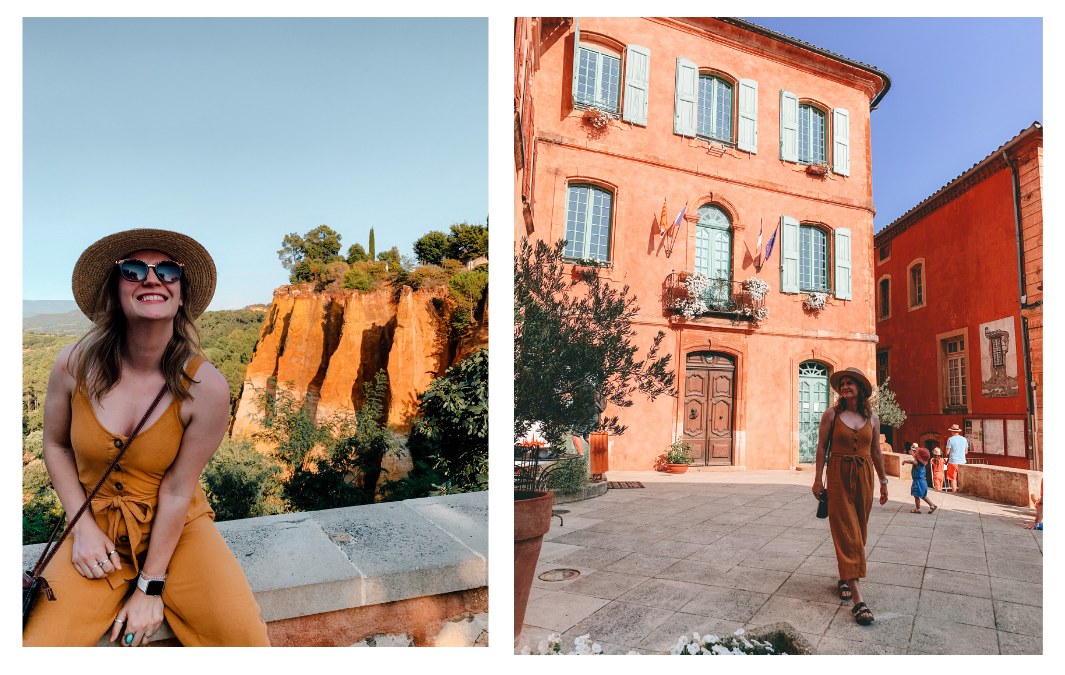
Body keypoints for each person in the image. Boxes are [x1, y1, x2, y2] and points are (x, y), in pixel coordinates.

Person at [24, 229, 271, 647]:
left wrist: (149, 587)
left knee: (244, 641)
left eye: (168, 271)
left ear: (180, 292)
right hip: (95, 528)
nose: (152, 279)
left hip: (181, 531)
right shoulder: (73, 364)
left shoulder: (206, 387)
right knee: (39, 648)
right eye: (134, 270)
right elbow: (56, 445)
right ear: (116, 289)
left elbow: (177, 489)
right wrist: (80, 525)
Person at [812, 367, 889, 626]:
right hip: (837, 475)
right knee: (847, 532)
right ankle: (858, 600)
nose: (844, 387)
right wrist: (816, 480)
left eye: (849, 383)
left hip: (865, 475)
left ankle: (845, 577)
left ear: (861, 389)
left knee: (860, 532)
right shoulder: (831, 415)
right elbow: (822, 446)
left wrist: (884, 481)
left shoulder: (874, 419)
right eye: (842, 383)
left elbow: (876, 451)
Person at [903, 447, 937, 513]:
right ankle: (932, 505)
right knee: (924, 496)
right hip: (923, 482)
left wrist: (906, 461)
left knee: (916, 496)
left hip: (918, 482)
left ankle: (918, 509)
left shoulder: (917, 463)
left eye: (915, 452)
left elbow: (913, 462)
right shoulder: (922, 464)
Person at [944, 424, 968, 492]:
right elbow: (966, 452)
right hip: (963, 462)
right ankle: (962, 492)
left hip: (953, 462)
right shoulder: (964, 439)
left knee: (953, 479)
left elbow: (947, 452)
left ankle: (955, 493)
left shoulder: (950, 439)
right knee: (962, 478)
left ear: (952, 431)